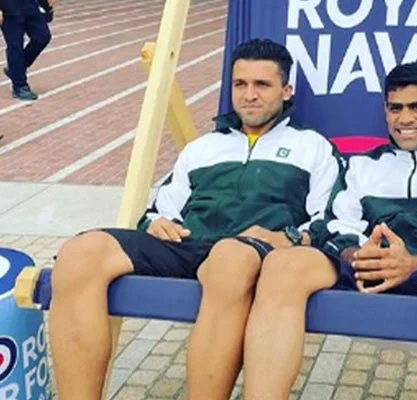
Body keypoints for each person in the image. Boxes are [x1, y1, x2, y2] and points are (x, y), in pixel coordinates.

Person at [47, 38, 342, 400]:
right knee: (81, 252)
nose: (249, 95)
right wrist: (156, 223)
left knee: (229, 257)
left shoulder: (312, 147)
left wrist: (291, 238)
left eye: (262, 85)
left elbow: (330, 219)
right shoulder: (203, 148)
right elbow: (160, 209)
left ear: (286, 90)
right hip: (189, 243)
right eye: (240, 84)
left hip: (250, 251)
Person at [240, 61, 417, 399]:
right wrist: (359, 256)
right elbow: (337, 224)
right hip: (363, 265)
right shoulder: (362, 164)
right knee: (281, 265)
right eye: (395, 108)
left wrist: (411, 264)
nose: (405, 119)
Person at [0, 0, 54, 100]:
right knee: (15, 46)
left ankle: (14, 70)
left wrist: (46, 6)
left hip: (30, 5)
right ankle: (19, 86)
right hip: (8, 8)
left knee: (42, 37)